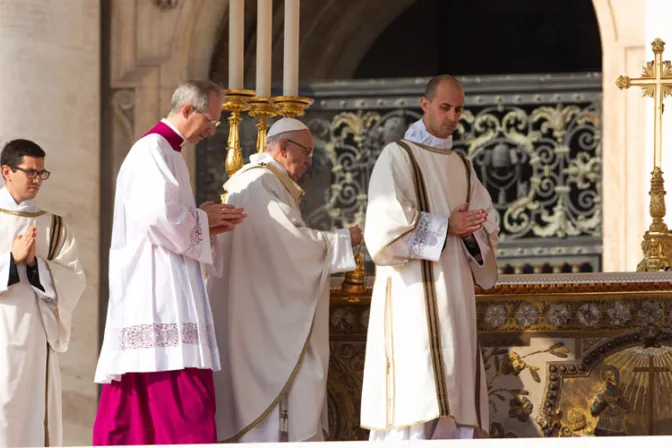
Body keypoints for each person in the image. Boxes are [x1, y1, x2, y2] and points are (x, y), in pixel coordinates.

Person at [93, 80, 246, 445]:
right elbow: (157, 218)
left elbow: (173, 219)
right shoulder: (150, 152)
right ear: (187, 110)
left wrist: (205, 222)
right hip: (156, 292)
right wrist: (204, 220)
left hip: (168, 282)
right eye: (210, 120)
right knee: (177, 399)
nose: (212, 130)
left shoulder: (169, 154)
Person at [360, 75, 499, 440]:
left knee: (454, 384)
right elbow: (385, 227)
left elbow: (489, 224)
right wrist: (445, 227)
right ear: (425, 105)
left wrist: (473, 231)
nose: (452, 116)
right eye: (445, 107)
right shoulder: (398, 156)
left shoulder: (464, 166)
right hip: (413, 296)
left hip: (454, 295)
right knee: (418, 385)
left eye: (458, 109)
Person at [207, 118, 362, 443]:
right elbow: (292, 247)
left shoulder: (262, 184)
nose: (309, 161)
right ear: (282, 147)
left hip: (260, 313)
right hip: (266, 327)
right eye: (306, 152)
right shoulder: (261, 185)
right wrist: (344, 239)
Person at [0, 139, 86, 447]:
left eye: (41, 173)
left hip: (36, 339)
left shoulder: (54, 225)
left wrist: (37, 265)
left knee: (32, 415)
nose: (37, 179)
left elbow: (75, 279)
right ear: (7, 171)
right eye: (30, 172)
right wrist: (11, 260)